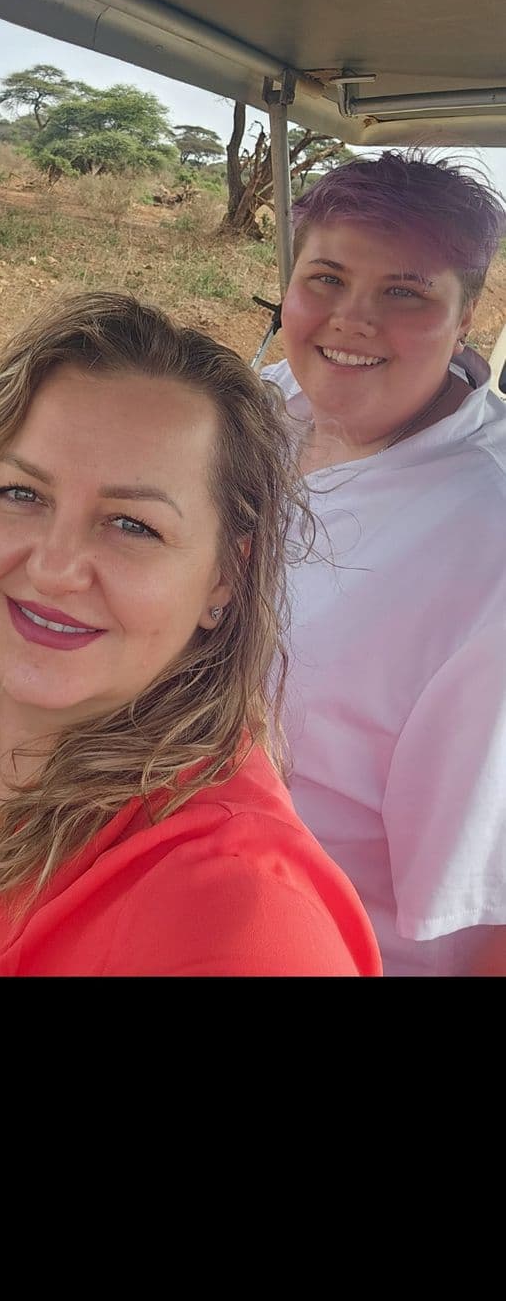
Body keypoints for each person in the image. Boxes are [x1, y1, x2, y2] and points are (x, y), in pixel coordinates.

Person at [0, 291, 380, 977]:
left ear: (222, 580)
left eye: (132, 525)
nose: (54, 568)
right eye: (21, 494)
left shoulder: (235, 911)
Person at [262, 149, 506, 976]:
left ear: (464, 315)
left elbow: (489, 901)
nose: (350, 321)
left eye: (403, 292)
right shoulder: (254, 411)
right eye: (325, 279)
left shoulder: (488, 539)